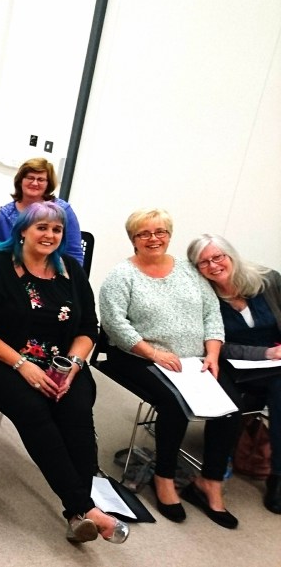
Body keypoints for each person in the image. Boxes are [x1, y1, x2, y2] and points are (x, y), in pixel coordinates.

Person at [0, 201, 129, 544]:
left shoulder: (71, 271)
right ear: (22, 232)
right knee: (34, 410)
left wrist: (73, 365)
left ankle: (79, 514)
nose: (50, 235)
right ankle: (84, 508)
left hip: (61, 363)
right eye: (41, 227)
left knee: (77, 411)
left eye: (57, 229)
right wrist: (22, 365)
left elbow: (88, 328)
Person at [99, 208, 241, 529]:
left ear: (169, 235)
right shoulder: (121, 276)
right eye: (144, 233)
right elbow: (114, 324)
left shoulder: (189, 270)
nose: (154, 238)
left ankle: (210, 483)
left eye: (160, 232)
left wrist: (212, 354)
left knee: (231, 408)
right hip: (139, 357)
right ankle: (163, 478)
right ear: (133, 239)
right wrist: (154, 353)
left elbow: (211, 314)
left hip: (195, 360)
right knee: (175, 404)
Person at [187, 234, 281, 514]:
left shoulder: (268, 281)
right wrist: (266, 354)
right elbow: (216, 345)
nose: (213, 265)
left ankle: (277, 475)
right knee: (230, 398)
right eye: (204, 262)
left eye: (218, 257)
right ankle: (216, 467)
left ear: (231, 256)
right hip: (232, 363)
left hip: (277, 361)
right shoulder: (203, 297)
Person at [0, 158, 84, 266]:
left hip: (56, 270)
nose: (35, 183)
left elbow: (74, 254)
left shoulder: (63, 210)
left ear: (48, 184)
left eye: (41, 179)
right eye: (30, 178)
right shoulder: (6, 214)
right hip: (15, 270)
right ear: (20, 181)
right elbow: (0, 254)